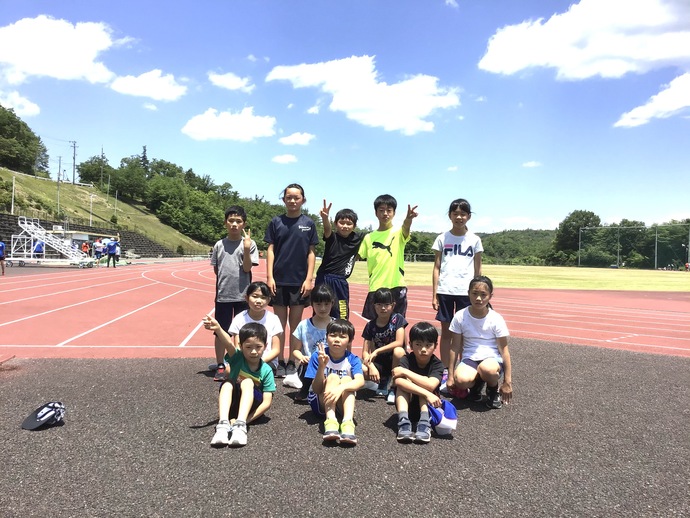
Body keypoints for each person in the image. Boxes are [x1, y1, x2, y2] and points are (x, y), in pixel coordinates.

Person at [264, 183, 319, 378]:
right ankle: (279, 361)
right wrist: (270, 277)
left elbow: (311, 253)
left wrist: (309, 278)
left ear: (303, 200)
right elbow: (270, 250)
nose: (293, 200)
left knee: (295, 326)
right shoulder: (276, 222)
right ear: (284, 199)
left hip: (299, 282)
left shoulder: (309, 224)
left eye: (297, 197)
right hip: (279, 281)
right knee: (279, 324)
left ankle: (291, 361)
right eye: (289, 197)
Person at [431, 198, 483, 392]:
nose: (459, 217)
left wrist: (477, 292)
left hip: (465, 293)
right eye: (455, 214)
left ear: (468, 216)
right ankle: (445, 371)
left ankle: (463, 369)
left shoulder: (475, 240)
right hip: (445, 290)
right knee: (446, 333)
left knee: (463, 334)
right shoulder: (442, 238)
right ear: (450, 216)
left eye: (463, 214)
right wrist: (434, 294)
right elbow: (437, 267)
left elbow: (478, 268)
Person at [201, 319, 276, 447]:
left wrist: (246, 420)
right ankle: (223, 424)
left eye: (258, 347)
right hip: (233, 405)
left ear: (265, 345)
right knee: (227, 383)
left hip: (251, 406)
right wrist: (218, 329)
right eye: (248, 347)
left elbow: (267, 402)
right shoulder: (237, 358)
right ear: (241, 346)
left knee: (247, 382)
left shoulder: (267, 370)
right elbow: (228, 343)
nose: (253, 351)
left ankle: (240, 426)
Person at [447, 275, 513, 409]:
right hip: (470, 358)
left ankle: (492, 390)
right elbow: (455, 347)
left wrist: (507, 381)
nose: (478, 298)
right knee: (461, 380)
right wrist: (450, 376)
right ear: (468, 294)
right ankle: (476, 386)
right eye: (475, 293)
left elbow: (504, 351)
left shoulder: (496, 318)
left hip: (491, 359)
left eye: (483, 295)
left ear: (490, 296)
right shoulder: (460, 316)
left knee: (487, 369)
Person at [209, 206, 259, 380]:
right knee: (220, 330)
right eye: (231, 221)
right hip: (223, 295)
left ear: (244, 224)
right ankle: (220, 363)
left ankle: (239, 363)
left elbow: (247, 268)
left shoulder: (250, 244)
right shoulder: (219, 245)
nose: (234, 224)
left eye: (238, 221)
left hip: (243, 295)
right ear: (225, 223)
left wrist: (245, 248)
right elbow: (217, 269)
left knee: (241, 331)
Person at [304, 319, 364, 445]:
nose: (337, 339)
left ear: (350, 340)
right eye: (333, 335)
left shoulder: (353, 359)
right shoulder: (318, 356)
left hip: (340, 403)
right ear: (326, 337)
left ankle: (348, 423)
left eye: (342, 337)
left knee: (347, 380)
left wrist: (340, 389)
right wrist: (321, 366)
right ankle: (330, 422)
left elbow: (360, 381)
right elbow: (316, 389)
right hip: (320, 401)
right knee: (333, 377)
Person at [358, 194, 418, 321]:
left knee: (398, 326)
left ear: (394, 213)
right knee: (374, 327)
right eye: (381, 210)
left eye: (389, 210)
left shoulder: (399, 232)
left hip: (396, 286)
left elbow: (406, 228)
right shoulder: (369, 238)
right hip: (375, 286)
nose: (385, 213)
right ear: (375, 213)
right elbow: (357, 256)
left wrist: (408, 219)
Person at [392, 322, 445, 443]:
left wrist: (405, 372)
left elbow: (431, 385)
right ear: (410, 345)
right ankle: (403, 421)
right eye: (418, 345)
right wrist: (426, 392)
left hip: (429, 407)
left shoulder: (437, 364)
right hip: (408, 404)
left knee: (425, 386)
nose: (423, 349)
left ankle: (425, 423)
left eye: (428, 345)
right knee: (402, 385)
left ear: (435, 345)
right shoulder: (407, 359)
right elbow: (398, 381)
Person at [221, 281, 282, 378]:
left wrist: (258, 362)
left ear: (269, 300)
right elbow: (238, 347)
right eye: (255, 296)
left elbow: (276, 349)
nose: (259, 301)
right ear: (246, 298)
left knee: (254, 378)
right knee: (228, 371)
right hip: (244, 360)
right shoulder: (239, 318)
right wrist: (246, 363)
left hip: (266, 361)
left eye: (263, 297)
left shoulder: (274, 319)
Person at [314, 200, 364, 320]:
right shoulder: (332, 237)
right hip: (324, 278)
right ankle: (317, 336)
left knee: (342, 313)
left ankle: (342, 335)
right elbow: (327, 230)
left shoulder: (358, 238)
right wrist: (325, 219)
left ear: (354, 226)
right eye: (341, 223)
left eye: (349, 223)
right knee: (321, 310)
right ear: (336, 224)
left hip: (340, 281)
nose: (345, 226)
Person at [287, 284, 336, 398]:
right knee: (311, 364)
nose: (322, 308)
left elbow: (346, 350)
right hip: (309, 365)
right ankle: (305, 389)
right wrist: (301, 357)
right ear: (312, 304)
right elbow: (296, 350)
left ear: (332, 304)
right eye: (318, 304)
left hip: (332, 364)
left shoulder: (337, 325)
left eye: (326, 304)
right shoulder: (303, 325)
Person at [361, 287, 408, 404]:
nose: (383, 308)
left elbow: (399, 342)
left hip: (396, 359)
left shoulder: (398, 319)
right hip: (380, 362)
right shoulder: (370, 325)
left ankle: (394, 387)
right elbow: (365, 352)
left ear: (393, 305)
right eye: (379, 304)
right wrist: (371, 366)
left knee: (398, 351)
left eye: (386, 304)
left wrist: (377, 351)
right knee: (361, 369)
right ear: (374, 305)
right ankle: (382, 379)